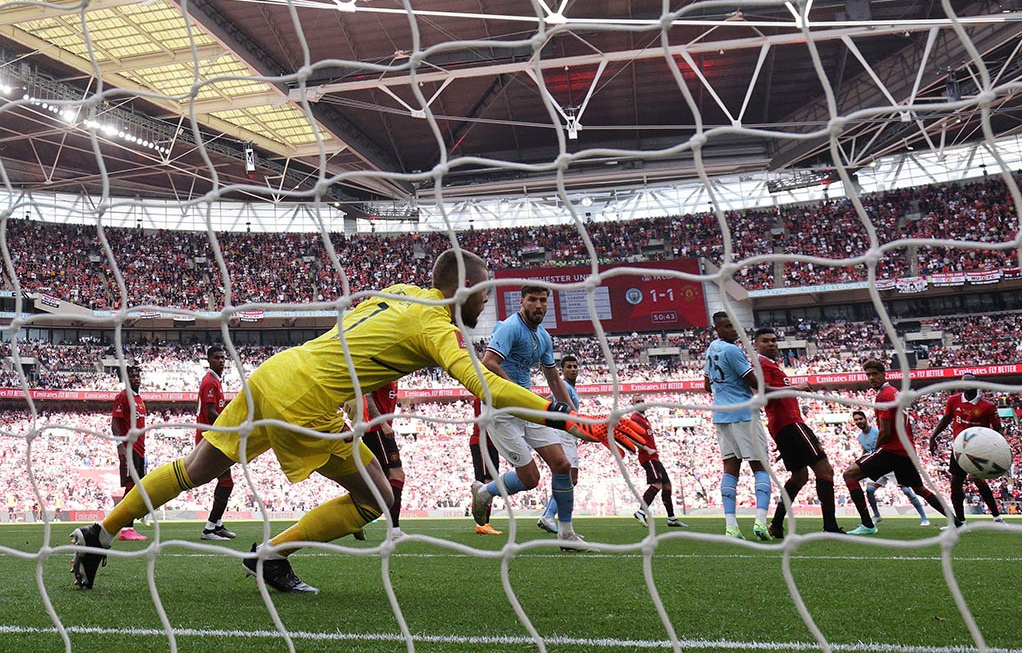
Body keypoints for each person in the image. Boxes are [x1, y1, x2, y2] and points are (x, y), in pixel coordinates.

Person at [71, 249, 643, 592]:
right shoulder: (437, 326)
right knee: (375, 497)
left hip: (274, 372)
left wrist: (358, 394)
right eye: (482, 292)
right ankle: (269, 557)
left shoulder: (399, 294)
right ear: (463, 290)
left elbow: (358, 334)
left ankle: (97, 534)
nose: (485, 303)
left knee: (195, 468)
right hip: (307, 395)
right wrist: (577, 423)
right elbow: (483, 384)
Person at [471, 286, 592, 550]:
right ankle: (483, 492)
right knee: (530, 479)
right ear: (522, 301)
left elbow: (553, 379)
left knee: (562, 465)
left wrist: (575, 416)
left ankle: (567, 534)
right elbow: (488, 361)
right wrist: (513, 390)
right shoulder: (510, 327)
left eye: (543, 300)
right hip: (501, 409)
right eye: (533, 300)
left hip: (527, 406)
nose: (539, 305)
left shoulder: (544, 337)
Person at [843, 360, 952, 535]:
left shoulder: (884, 395)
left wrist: (875, 451)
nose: (871, 378)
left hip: (892, 450)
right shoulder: (894, 392)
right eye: (868, 375)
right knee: (919, 489)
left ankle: (868, 525)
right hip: (906, 451)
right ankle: (956, 522)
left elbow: (885, 432)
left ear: (883, 374)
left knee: (849, 475)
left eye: (874, 374)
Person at [751, 328, 842, 537]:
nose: (772, 344)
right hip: (790, 423)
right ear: (756, 344)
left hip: (784, 426)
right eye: (766, 341)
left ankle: (776, 524)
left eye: (774, 340)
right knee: (825, 470)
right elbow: (762, 390)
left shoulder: (772, 365)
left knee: (800, 476)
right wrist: (797, 388)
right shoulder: (762, 364)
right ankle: (830, 527)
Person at [704, 312, 772, 541]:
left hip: (721, 415)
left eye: (736, 326)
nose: (734, 330)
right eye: (728, 326)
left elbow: (706, 385)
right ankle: (761, 522)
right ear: (718, 329)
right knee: (760, 467)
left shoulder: (711, 348)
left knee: (730, 470)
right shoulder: (733, 350)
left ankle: (731, 527)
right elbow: (754, 382)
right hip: (743, 414)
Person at [928, 373, 1005, 525]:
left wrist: (999, 449)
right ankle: (961, 522)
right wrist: (933, 436)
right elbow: (946, 419)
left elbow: (998, 429)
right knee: (955, 484)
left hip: (979, 450)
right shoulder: (953, 400)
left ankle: (997, 518)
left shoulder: (988, 406)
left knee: (979, 481)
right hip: (959, 449)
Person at [345, 381, 407, 539]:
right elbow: (369, 396)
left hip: (375, 430)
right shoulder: (387, 373)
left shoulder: (394, 378)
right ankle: (394, 528)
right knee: (396, 474)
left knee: (377, 481)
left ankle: (353, 519)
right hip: (377, 430)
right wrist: (383, 424)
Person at [851, 410, 931, 526]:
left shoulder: (877, 431)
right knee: (869, 490)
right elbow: (866, 451)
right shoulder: (860, 437)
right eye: (856, 420)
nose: (859, 421)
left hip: (888, 464)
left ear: (866, 419)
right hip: (876, 466)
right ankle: (877, 516)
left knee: (907, 490)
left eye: (860, 419)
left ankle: (924, 518)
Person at [537, 355, 584, 534]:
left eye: (575, 366)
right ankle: (550, 516)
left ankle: (550, 516)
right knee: (570, 478)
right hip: (564, 433)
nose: (573, 369)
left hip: (567, 434)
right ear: (562, 371)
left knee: (569, 478)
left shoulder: (570, 388)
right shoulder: (564, 386)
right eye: (569, 367)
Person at [196, 346, 237, 541]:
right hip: (210, 439)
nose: (221, 360)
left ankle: (216, 524)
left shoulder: (216, 381)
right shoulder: (210, 382)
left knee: (225, 481)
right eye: (217, 358)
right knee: (226, 482)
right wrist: (229, 427)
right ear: (209, 360)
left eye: (223, 357)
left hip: (214, 438)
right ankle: (210, 528)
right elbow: (211, 412)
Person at [631, 394, 686, 529]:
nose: (641, 403)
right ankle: (641, 512)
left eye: (642, 400)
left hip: (654, 457)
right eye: (637, 401)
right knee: (657, 484)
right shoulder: (635, 418)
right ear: (633, 404)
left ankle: (671, 518)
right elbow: (631, 438)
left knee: (667, 485)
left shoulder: (644, 418)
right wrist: (646, 449)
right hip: (647, 457)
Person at [111, 365, 147, 542]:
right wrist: (120, 446)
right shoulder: (123, 396)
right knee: (131, 488)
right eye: (132, 376)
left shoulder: (138, 398)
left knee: (135, 488)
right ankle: (125, 527)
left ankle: (123, 525)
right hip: (129, 448)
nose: (136, 378)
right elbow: (115, 423)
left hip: (140, 450)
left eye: (137, 375)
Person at [470, 398, 502, 535]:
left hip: (491, 443)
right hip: (482, 441)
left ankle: (484, 522)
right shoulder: (482, 397)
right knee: (484, 482)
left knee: (491, 481)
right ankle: (482, 523)